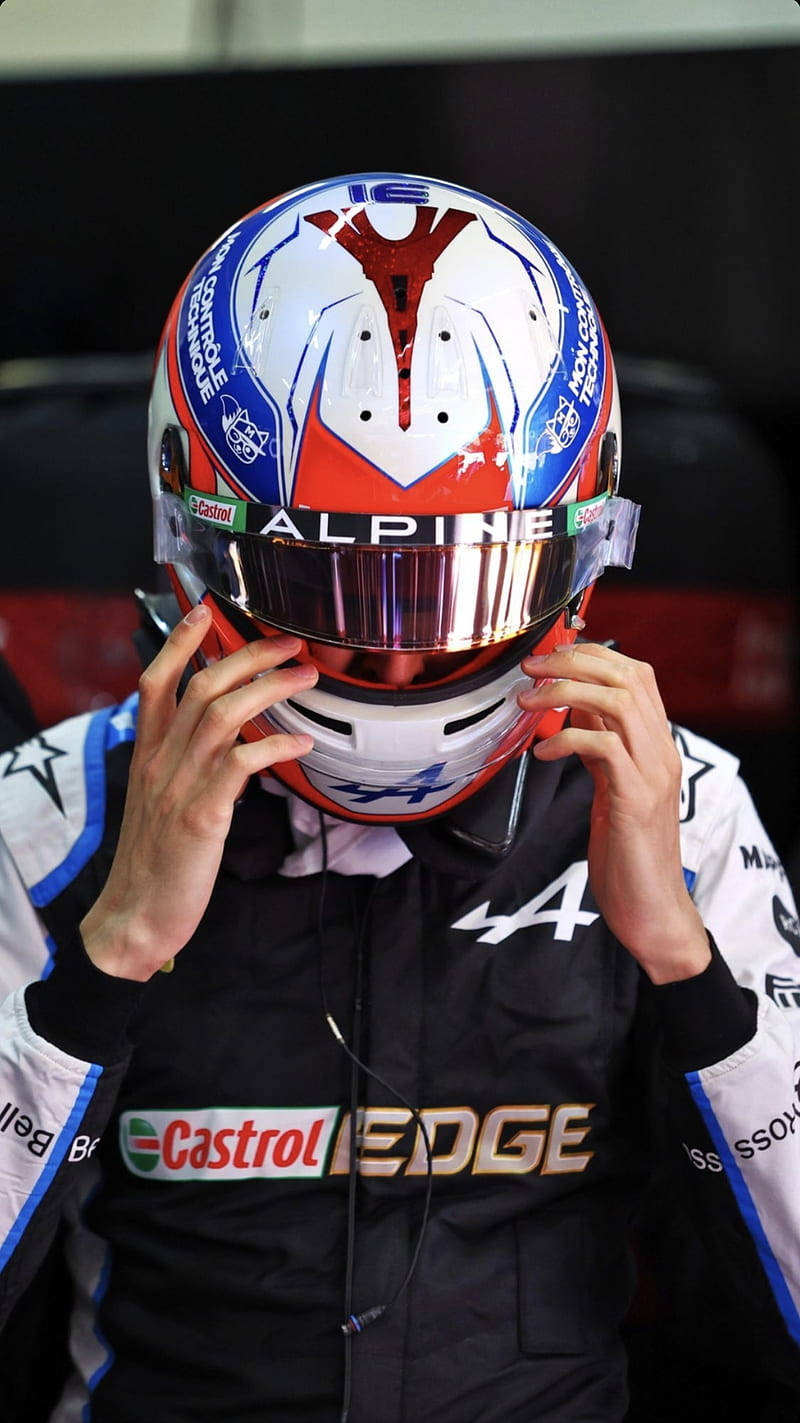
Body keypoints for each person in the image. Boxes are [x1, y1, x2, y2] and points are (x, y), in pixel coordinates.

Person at [0, 172, 798, 1423]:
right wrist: (110, 956)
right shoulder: (48, 819)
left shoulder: (677, 810)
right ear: (188, 540)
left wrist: (686, 969)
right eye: (341, 596)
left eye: (453, 593)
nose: (407, 663)